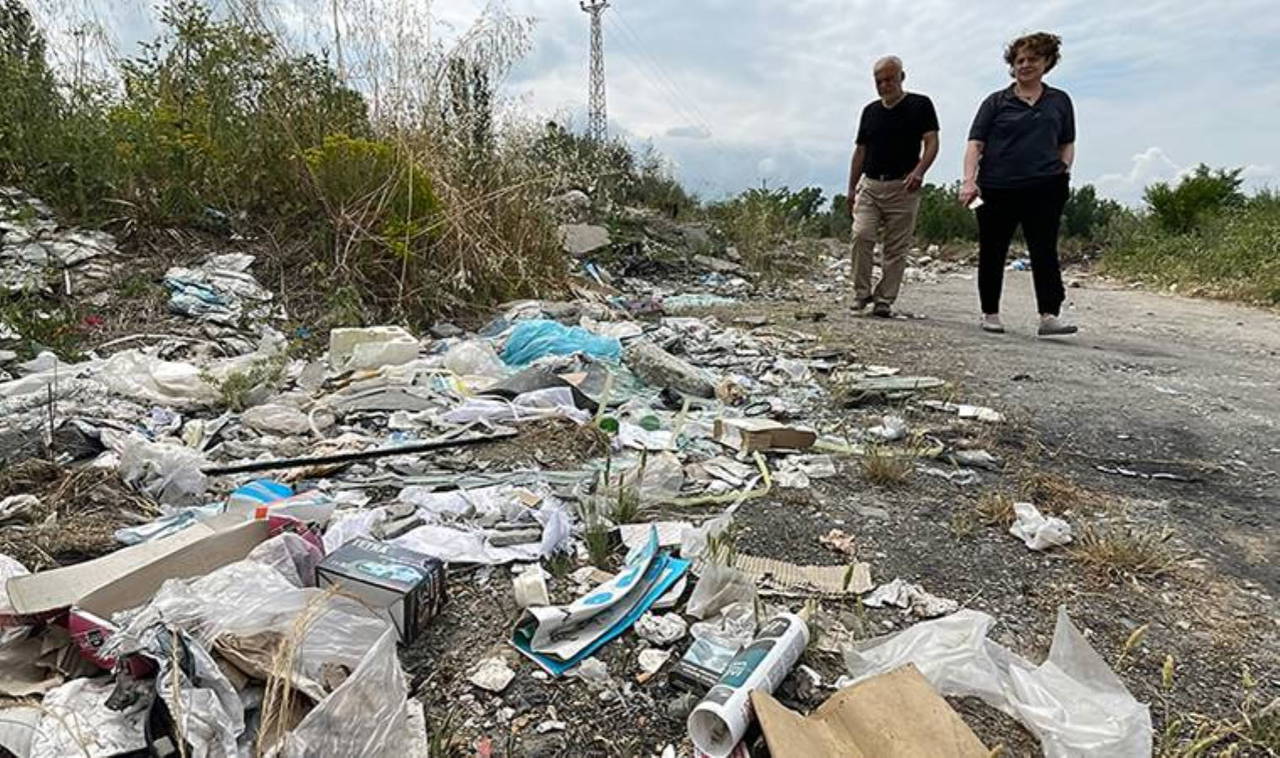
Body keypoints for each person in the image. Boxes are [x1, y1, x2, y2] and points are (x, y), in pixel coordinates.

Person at [959, 32, 1078, 336]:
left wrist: (1061, 173)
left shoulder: (1059, 101)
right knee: (992, 250)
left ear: (1047, 61)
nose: (1025, 65)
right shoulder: (996, 102)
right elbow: (975, 144)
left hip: (1045, 188)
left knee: (1045, 251)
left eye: (1032, 59)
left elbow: (1067, 142)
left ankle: (1049, 315)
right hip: (996, 188)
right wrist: (969, 181)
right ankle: (990, 313)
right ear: (1012, 65)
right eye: (1019, 60)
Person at [846, 56, 940, 317]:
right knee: (861, 235)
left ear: (901, 77)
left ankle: (884, 299)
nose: (884, 85)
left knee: (895, 248)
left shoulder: (920, 105)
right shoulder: (870, 111)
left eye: (889, 79)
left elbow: (931, 142)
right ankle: (861, 293)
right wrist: (851, 189)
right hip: (871, 185)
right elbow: (860, 151)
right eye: (879, 81)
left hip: (903, 187)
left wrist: (919, 171)